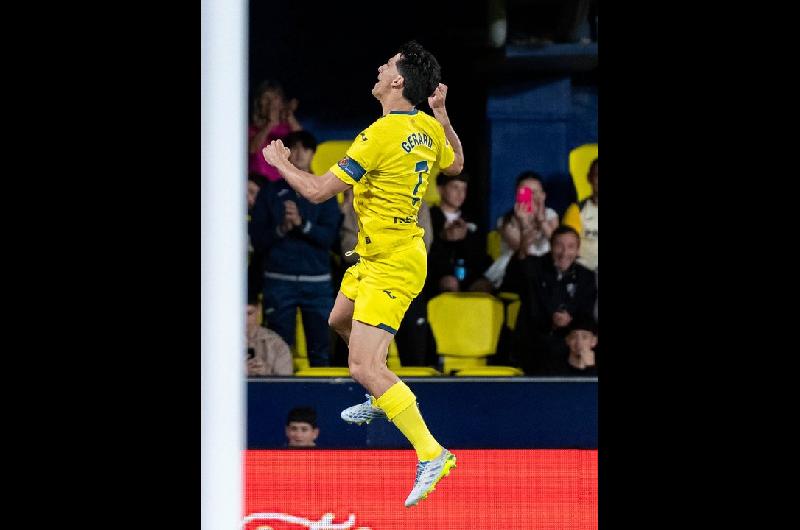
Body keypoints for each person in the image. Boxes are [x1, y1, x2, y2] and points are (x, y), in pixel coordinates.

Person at [262, 41, 460, 507]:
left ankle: (432, 453)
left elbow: (314, 192)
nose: (378, 68)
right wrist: (443, 113)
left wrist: (281, 163)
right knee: (337, 321)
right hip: (380, 255)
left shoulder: (378, 136)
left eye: (387, 65)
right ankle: (382, 392)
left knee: (361, 364)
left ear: (397, 82)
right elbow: (457, 163)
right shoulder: (428, 128)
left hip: (391, 261)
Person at [249, 130, 341, 367]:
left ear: (313, 154)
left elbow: (330, 239)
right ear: (286, 155)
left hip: (317, 284)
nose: (300, 154)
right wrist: (281, 228)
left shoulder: (326, 191)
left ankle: (321, 403)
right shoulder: (269, 192)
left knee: (321, 352)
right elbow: (258, 240)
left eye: (305, 148)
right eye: (294, 149)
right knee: (280, 350)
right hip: (279, 282)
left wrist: (302, 224)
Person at [502, 225, 597, 374]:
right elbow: (512, 278)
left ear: (578, 250)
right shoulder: (533, 267)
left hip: (570, 342)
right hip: (535, 342)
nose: (565, 253)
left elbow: (586, 316)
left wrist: (570, 322)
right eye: (559, 246)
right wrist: (523, 248)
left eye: (571, 247)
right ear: (550, 247)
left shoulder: (587, 277)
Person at [483, 171, 560, 289]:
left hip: (547, 267)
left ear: (543, 195)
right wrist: (523, 222)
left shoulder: (550, 215)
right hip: (515, 269)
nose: (531, 196)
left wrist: (541, 221)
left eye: (535, 192)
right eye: (527, 192)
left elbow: (557, 244)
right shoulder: (505, 221)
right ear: (517, 194)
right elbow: (523, 253)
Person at [426, 171, 493, 295]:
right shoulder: (429, 217)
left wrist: (465, 238)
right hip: (436, 275)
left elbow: (479, 256)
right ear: (440, 189)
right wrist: (444, 238)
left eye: (464, 189)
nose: (460, 194)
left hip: (468, 274)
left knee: (484, 286)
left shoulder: (472, 220)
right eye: (455, 187)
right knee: (449, 283)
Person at [248, 80, 303, 183]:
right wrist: (270, 124)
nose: (270, 102)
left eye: (275, 98)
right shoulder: (251, 129)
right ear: (259, 103)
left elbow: (303, 142)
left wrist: (290, 116)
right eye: (266, 98)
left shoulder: (289, 128)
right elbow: (252, 149)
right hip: (258, 184)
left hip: (283, 184)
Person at [562, 158, 598, 271]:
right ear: (589, 178)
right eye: (597, 175)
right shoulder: (576, 210)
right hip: (586, 275)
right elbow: (566, 248)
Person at [246, 299, 293, 377]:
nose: (244, 320)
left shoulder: (277, 344)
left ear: (259, 310)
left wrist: (266, 373)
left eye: (249, 313)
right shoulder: (221, 342)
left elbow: (286, 384)